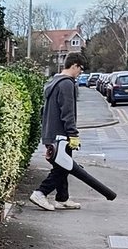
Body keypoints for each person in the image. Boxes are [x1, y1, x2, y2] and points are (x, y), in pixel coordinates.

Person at [31, 52, 87, 212]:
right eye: (80, 69)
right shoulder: (67, 84)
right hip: (61, 135)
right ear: (74, 65)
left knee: (63, 165)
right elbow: (67, 112)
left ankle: (62, 198)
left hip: (51, 132)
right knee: (62, 167)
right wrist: (73, 134)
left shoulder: (54, 81)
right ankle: (40, 193)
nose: (80, 73)